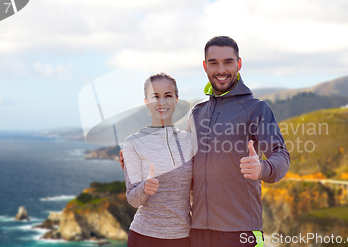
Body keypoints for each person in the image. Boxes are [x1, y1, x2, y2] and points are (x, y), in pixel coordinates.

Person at [121, 36, 290, 247]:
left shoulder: (256, 109)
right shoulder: (198, 112)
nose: (221, 70)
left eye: (228, 62)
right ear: (205, 66)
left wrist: (263, 168)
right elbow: (183, 158)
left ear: (238, 64)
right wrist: (136, 157)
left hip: (241, 229)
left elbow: (281, 154)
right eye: (214, 63)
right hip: (198, 231)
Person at [123, 73, 193, 247]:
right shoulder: (132, 143)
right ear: (146, 101)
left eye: (168, 96)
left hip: (184, 236)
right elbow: (133, 199)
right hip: (144, 237)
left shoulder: (190, 141)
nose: (161, 102)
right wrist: (144, 188)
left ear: (176, 99)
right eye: (155, 96)